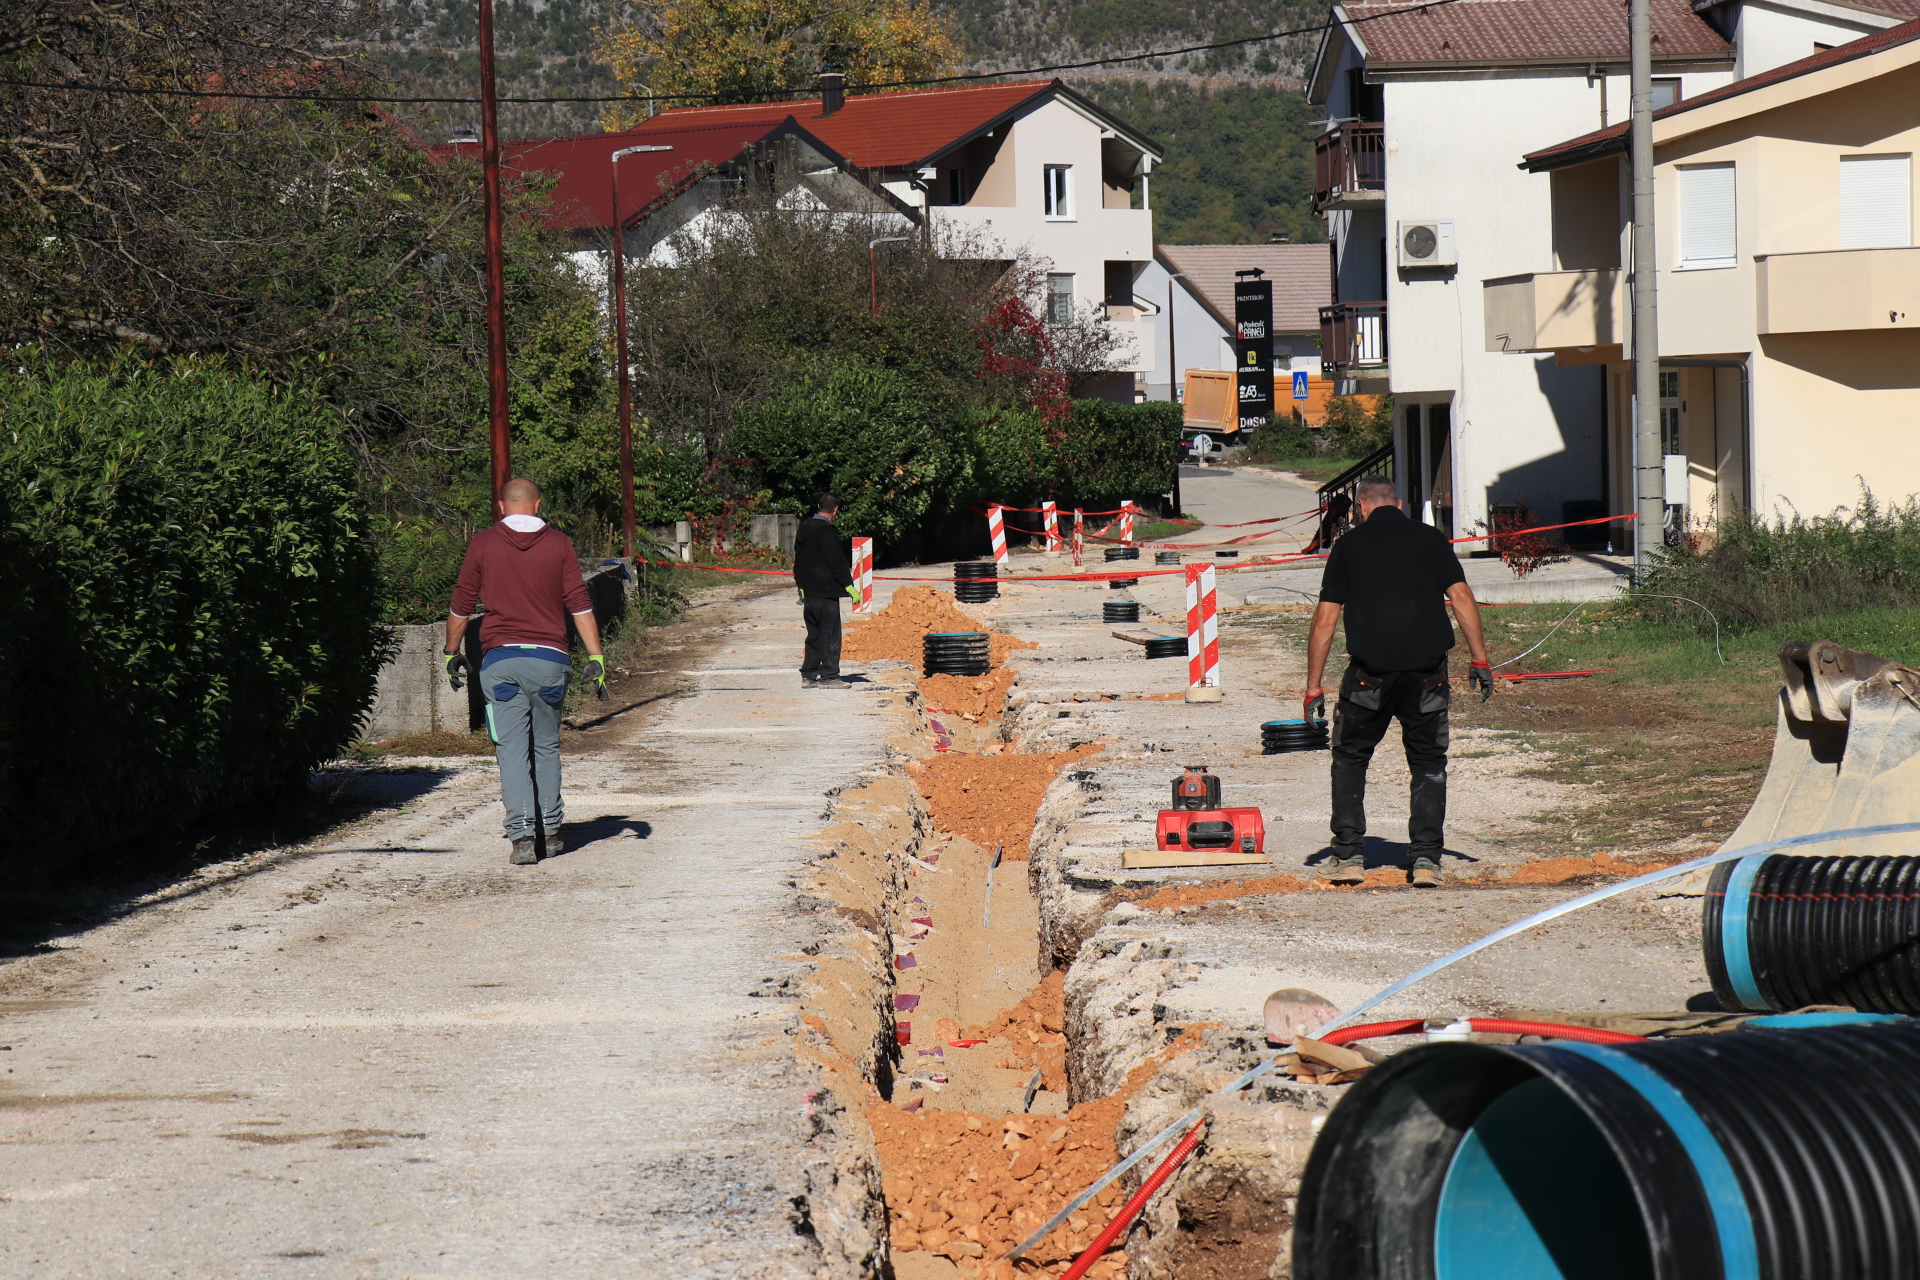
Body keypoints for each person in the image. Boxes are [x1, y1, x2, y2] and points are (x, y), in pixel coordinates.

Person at [1300, 476, 1494, 888]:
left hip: (1369, 678)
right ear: (1399, 503)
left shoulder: (1349, 545)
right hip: (1427, 677)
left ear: (1362, 506)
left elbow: (1325, 620)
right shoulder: (1430, 539)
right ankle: (1426, 860)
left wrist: (1313, 686)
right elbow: (1461, 597)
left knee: (1351, 757)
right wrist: (1480, 659)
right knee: (1427, 762)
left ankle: (1349, 855)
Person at [443, 478, 606, 865]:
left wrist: (451, 652)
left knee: (512, 751)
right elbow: (579, 603)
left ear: (501, 506)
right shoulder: (559, 543)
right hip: (550, 662)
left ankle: (520, 839)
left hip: (501, 664)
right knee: (546, 747)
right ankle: (549, 833)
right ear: (537, 505)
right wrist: (596, 658)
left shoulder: (482, 543)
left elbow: (462, 604)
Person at [792, 492, 862, 689]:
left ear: (818, 506)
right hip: (826, 591)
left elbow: (799, 561)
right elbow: (836, 561)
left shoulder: (804, 528)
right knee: (830, 634)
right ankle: (830, 676)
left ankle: (809, 675)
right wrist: (849, 586)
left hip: (810, 593)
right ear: (836, 509)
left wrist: (801, 587)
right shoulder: (826, 531)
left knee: (813, 634)